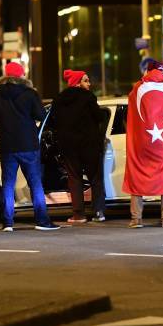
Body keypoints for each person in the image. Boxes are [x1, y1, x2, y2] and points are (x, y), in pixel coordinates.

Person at [0, 62, 59, 232]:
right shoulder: (30, 94)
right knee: (35, 183)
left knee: (8, 184)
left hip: (7, 146)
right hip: (28, 145)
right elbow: (40, 114)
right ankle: (42, 221)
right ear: (21, 76)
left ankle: (8, 223)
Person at [123, 60, 163, 228]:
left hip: (142, 141)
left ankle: (137, 219)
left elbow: (131, 109)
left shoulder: (138, 88)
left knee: (138, 175)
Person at [53, 69, 106, 223]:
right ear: (77, 82)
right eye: (85, 80)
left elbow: (55, 122)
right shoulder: (88, 97)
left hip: (69, 147)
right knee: (95, 178)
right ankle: (98, 212)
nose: (89, 84)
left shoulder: (60, 99)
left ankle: (79, 215)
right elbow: (99, 117)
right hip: (89, 145)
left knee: (74, 179)